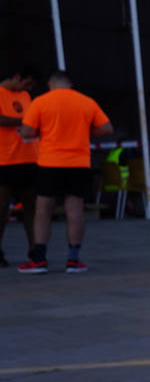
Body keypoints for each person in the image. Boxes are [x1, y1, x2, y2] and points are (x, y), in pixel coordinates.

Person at [16, 71, 113, 274]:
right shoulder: (86, 102)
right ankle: (74, 260)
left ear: (51, 84)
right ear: (70, 84)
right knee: (75, 210)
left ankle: (39, 260)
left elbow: (26, 132)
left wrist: (43, 132)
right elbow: (106, 128)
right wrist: (84, 131)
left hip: (49, 163)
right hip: (79, 163)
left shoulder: (41, 102)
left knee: (43, 210)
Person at [0, 66, 40, 267]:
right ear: (16, 76)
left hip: (28, 157)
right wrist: (24, 121)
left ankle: (35, 249)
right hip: (4, 158)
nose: (28, 88)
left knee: (30, 206)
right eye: (27, 83)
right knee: (2, 208)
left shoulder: (25, 95)